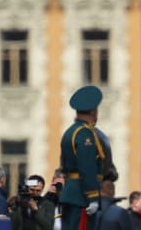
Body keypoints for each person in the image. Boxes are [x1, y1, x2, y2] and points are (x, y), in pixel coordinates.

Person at [59, 85, 106, 230]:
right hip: (81, 196)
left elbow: (64, 164)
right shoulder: (85, 134)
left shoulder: (70, 132)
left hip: (71, 193)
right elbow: (87, 167)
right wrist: (92, 196)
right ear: (93, 111)